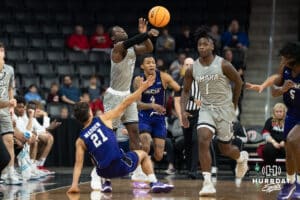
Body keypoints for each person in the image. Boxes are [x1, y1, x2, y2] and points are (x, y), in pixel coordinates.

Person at [67, 76, 174, 193]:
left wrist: (74, 185)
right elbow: (125, 103)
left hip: (103, 171)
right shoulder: (103, 119)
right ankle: (154, 182)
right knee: (143, 154)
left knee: (98, 155)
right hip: (119, 166)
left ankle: (106, 183)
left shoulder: (80, 140)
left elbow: (78, 165)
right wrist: (142, 88)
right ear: (90, 112)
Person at [90, 18, 159, 189]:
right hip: (114, 97)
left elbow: (150, 48)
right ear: (113, 38)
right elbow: (132, 41)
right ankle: (104, 177)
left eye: (123, 28)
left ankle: (137, 172)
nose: (123, 30)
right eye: (118, 30)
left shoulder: (132, 48)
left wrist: (145, 34)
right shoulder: (117, 48)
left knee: (134, 132)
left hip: (128, 95)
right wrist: (144, 33)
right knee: (110, 137)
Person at [180, 26, 248, 196]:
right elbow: (186, 90)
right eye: (199, 44)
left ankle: (241, 158)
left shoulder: (223, 64)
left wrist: (234, 103)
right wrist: (183, 111)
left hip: (225, 109)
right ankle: (208, 182)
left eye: (205, 44)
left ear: (212, 46)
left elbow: (239, 82)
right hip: (206, 109)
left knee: (225, 148)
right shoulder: (192, 69)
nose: (201, 47)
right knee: (203, 138)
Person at [133, 54, 180, 172]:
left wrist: (177, 100)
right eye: (148, 63)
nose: (151, 65)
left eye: (153, 62)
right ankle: (139, 171)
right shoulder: (138, 80)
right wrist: (152, 106)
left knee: (159, 156)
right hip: (144, 118)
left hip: (159, 120)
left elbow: (179, 89)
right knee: (146, 144)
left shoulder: (164, 77)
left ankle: (147, 164)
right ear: (142, 66)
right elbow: (137, 105)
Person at [266, 42, 300, 200]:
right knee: (289, 152)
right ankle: (290, 182)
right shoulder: (285, 69)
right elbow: (273, 92)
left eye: (285, 58)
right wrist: (282, 89)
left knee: (293, 140)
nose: (283, 61)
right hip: (292, 114)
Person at [174, 57, 201, 179]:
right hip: (186, 113)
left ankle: (194, 169)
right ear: (183, 66)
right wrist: (180, 116)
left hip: (199, 113)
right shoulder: (180, 80)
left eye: (191, 64)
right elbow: (177, 100)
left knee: (196, 140)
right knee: (188, 141)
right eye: (186, 64)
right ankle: (189, 168)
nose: (189, 66)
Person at [0, 43, 20, 185]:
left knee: (9, 140)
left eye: (2, 50)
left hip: (5, 109)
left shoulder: (10, 69)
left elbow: (10, 89)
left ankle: (10, 171)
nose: (1, 52)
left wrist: (11, 106)